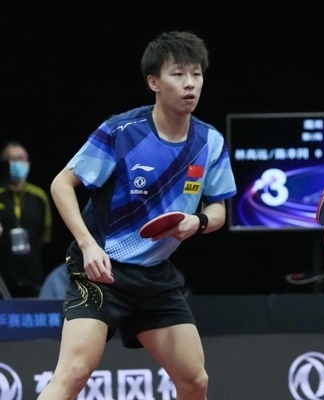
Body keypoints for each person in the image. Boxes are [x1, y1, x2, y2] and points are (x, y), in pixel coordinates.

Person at [37, 31, 237, 400]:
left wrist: (197, 222)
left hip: (156, 277)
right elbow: (61, 184)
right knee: (74, 373)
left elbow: (218, 209)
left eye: (196, 74)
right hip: (101, 271)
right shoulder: (122, 131)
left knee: (195, 381)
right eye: (178, 74)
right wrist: (87, 246)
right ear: (154, 82)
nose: (190, 83)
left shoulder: (210, 142)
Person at [0, 141, 53, 297]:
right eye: (13, 159)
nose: (18, 163)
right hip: (3, 274)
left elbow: (46, 235)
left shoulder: (39, 196)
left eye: (22, 159)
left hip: (32, 273)